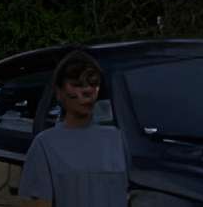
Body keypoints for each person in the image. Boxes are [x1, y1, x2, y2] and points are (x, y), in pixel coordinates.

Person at [18, 51, 128, 207]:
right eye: (77, 84)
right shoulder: (45, 145)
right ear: (59, 92)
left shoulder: (118, 140)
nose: (87, 91)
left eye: (93, 84)